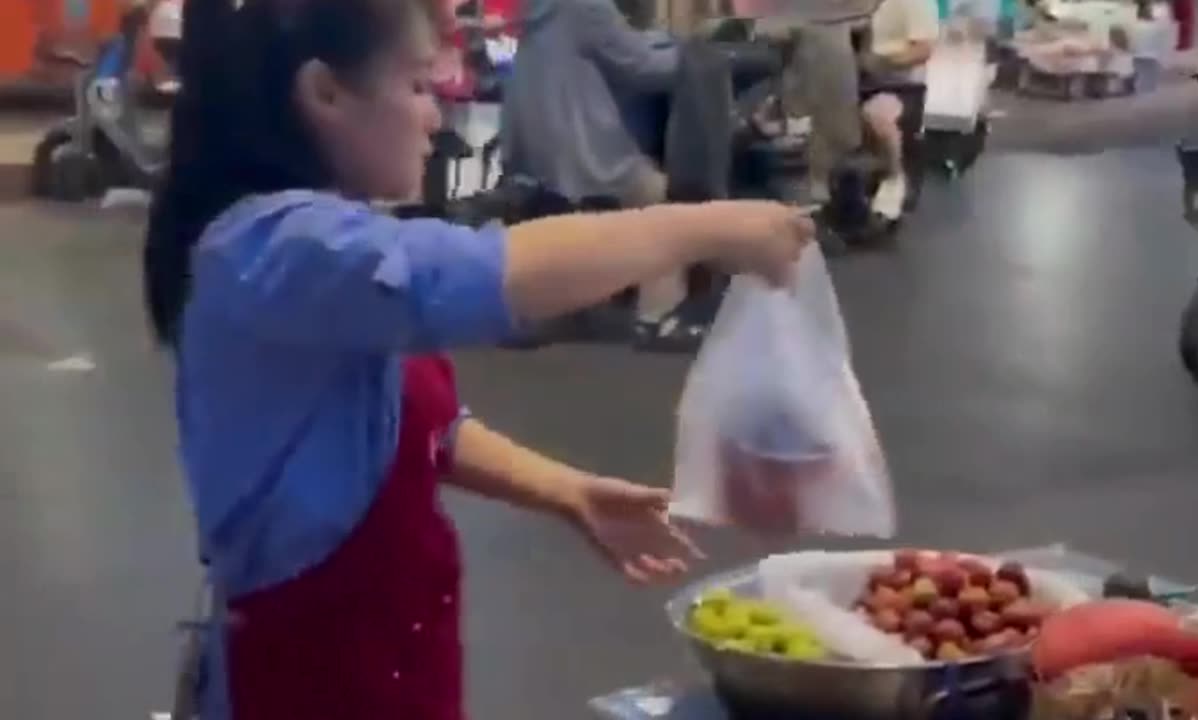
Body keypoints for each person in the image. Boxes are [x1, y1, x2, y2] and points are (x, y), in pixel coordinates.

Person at [142, 0, 813, 718]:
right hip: (307, 682)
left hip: (387, 664)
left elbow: (411, 424)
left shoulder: (325, 241)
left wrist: (567, 490)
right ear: (326, 93)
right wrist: (708, 225)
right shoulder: (274, 249)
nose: (437, 117)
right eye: (419, 87)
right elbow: (481, 274)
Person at [502, 0, 706, 350]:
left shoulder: (540, 9)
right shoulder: (586, 5)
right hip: (581, 145)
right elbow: (642, 67)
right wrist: (696, 55)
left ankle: (569, 309)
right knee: (660, 202)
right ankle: (658, 318)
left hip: (538, 142)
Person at [860, 0, 940, 223]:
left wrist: (880, 62)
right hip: (857, 80)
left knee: (877, 114)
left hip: (900, 85)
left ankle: (894, 178)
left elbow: (923, 50)